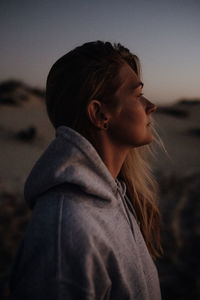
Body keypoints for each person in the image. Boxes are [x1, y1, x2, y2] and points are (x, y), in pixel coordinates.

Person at [10, 41, 162, 299]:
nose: (151, 105)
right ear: (99, 114)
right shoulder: (64, 233)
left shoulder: (116, 193)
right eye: (137, 95)